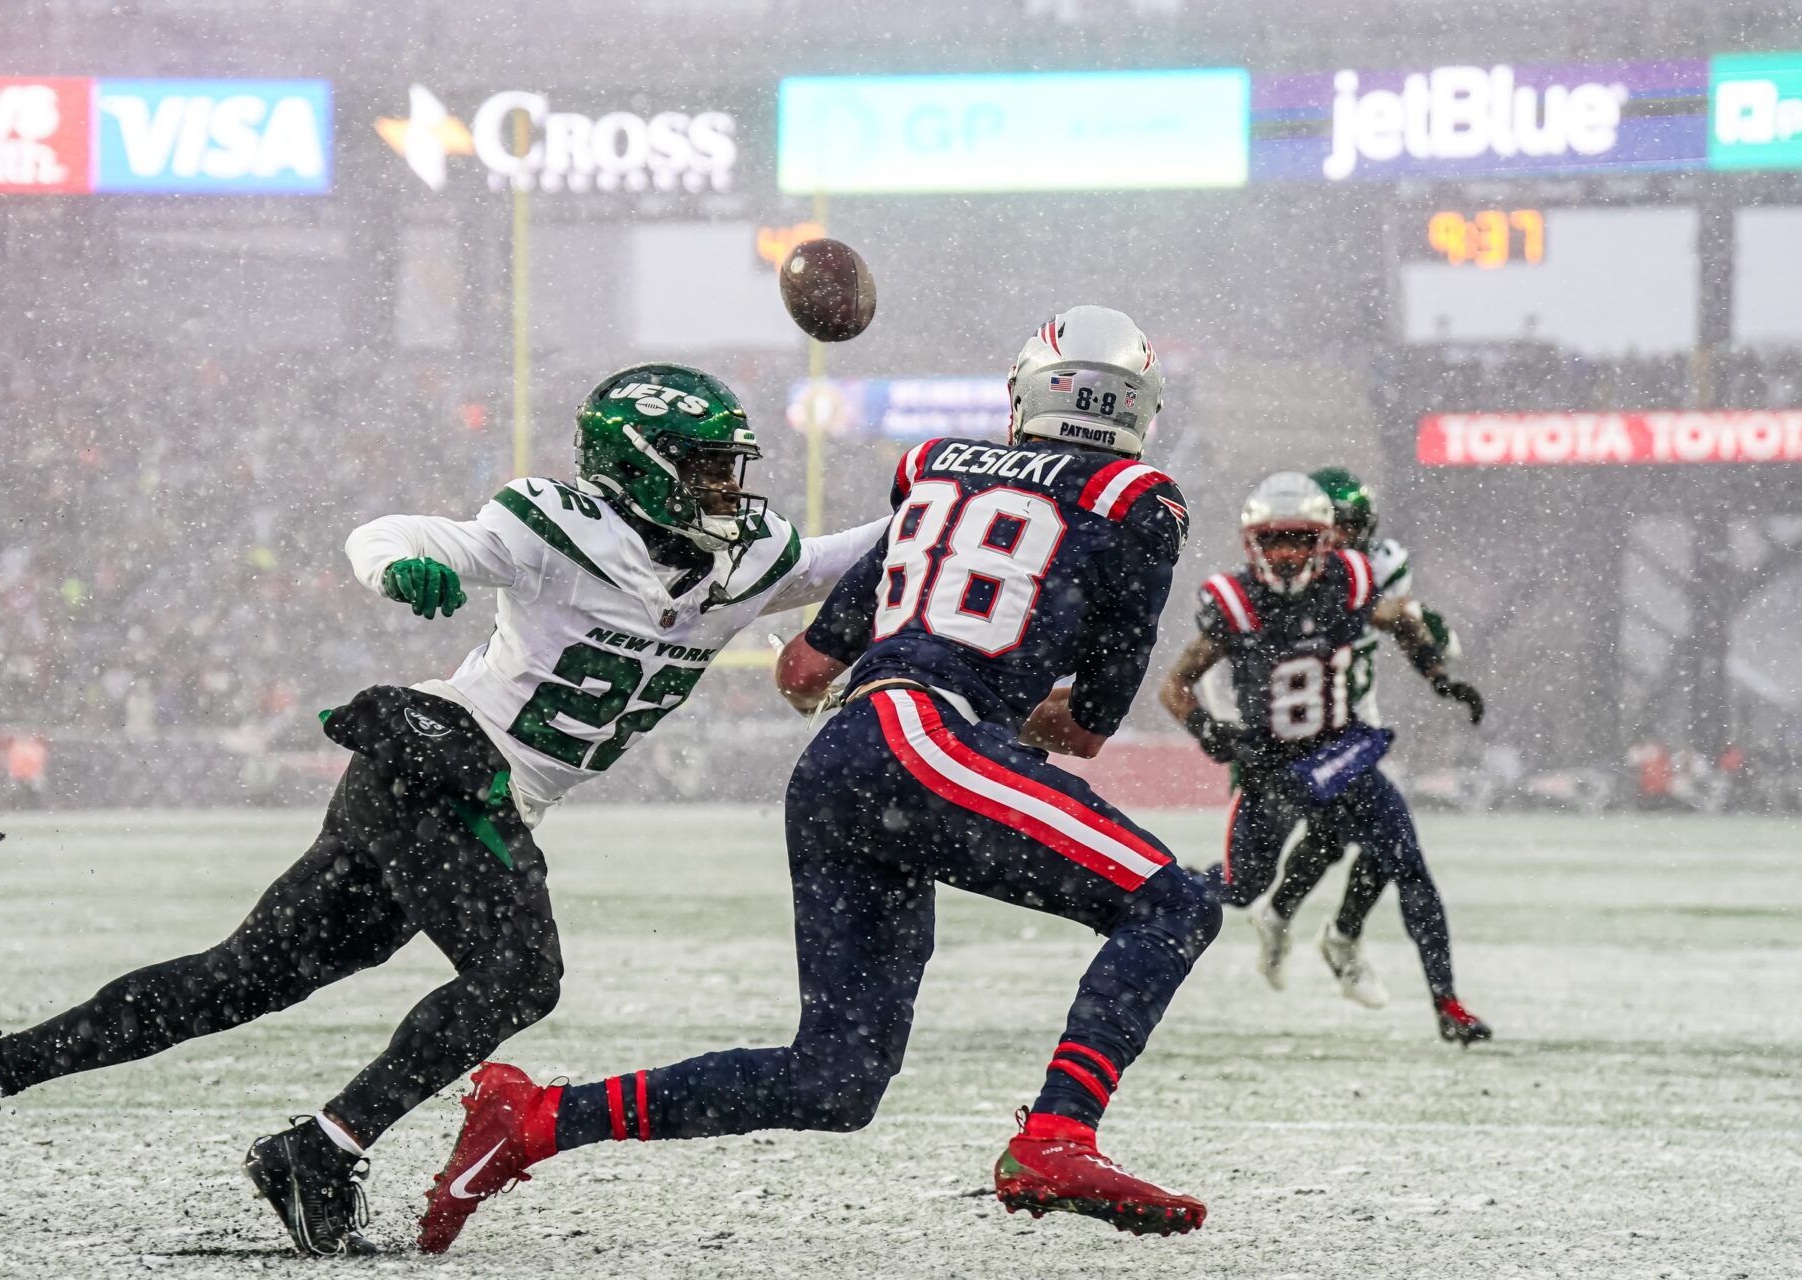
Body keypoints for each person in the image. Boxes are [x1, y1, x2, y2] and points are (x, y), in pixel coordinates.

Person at [0, 364, 886, 1256]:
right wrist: (405, 569)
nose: (731, 489)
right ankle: (319, 1150)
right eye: (710, 469)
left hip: (451, 796)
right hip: (441, 766)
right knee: (519, 973)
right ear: (642, 468)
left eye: (730, 468)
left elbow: (842, 558)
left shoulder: (745, 561)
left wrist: (964, 488)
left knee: (236, 980)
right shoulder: (557, 530)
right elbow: (395, 533)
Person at [415, 306, 1219, 1254]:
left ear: (1026, 391)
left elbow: (801, 671)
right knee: (1171, 903)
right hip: (930, 739)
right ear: (1136, 409)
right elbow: (1086, 725)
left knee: (834, 1080)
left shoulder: (933, 473)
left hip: (845, 763)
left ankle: (536, 1118)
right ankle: (1057, 1136)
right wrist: (1008, 703)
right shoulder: (1138, 499)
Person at [1157, 472, 1492, 1045]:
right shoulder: (1235, 601)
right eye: (1274, 542)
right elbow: (1176, 686)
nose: (1287, 555)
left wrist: (1438, 677)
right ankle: (1156, 886)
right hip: (1269, 764)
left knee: (1406, 863)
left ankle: (1448, 1003)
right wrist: (1210, 730)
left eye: (1299, 540)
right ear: (1251, 545)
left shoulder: (1352, 581)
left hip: (1341, 752)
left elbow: (1403, 621)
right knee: (1241, 886)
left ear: (1326, 541)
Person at [1248, 467, 1464, 1003]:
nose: (1344, 537)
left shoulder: (1374, 568)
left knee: (1362, 842)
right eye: (1334, 525)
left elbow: (1423, 628)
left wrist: (1431, 635)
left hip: (1355, 726)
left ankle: (1311, 927)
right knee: (1338, 838)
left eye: (1353, 525)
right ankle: (1322, 931)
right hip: (1299, 729)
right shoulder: (1295, 577)